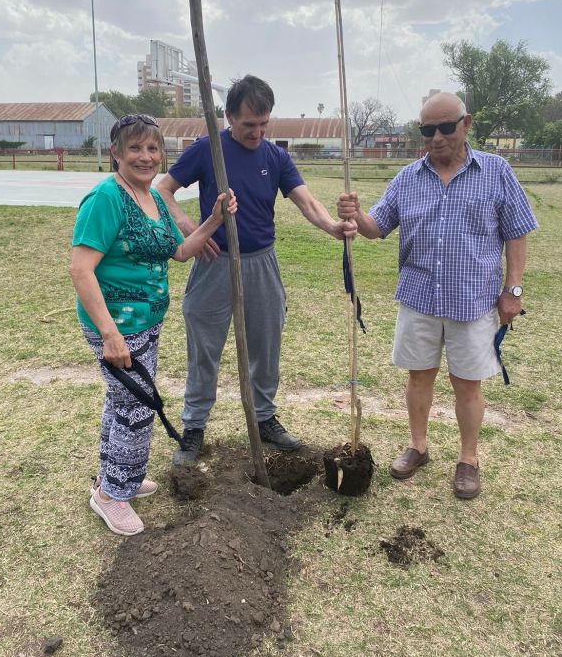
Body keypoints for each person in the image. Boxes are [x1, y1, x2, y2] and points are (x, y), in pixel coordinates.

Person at [337, 92, 537, 499]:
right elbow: (378, 228)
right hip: (419, 297)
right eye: (428, 130)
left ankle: (468, 459)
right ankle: (418, 446)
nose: (437, 137)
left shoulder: (496, 171)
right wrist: (356, 214)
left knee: (467, 384)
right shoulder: (407, 178)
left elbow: (517, 232)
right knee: (419, 376)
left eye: (446, 127)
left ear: (467, 123)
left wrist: (512, 290)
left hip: (473, 300)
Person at [158, 75, 356, 465]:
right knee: (204, 350)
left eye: (264, 124)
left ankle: (264, 418)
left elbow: (306, 202)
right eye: (249, 124)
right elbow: (162, 190)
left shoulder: (275, 157)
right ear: (229, 116)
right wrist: (193, 231)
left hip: (262, 263)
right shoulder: (207, 150)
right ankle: (194, 427)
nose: (257, 132)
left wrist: (333, 227)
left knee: (266, 348)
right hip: (215, 264)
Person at [69, 113, 236, 535]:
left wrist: (214, 219)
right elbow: (81, 270)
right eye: (136, 148)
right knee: (136, 409)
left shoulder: (153, 198)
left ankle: (115, 478)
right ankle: (112, 496)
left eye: (153, 149)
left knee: (123, 402)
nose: (146, 157)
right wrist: (110, 334)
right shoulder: (106, 199)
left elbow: (180, 252)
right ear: (115, 153)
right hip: (117, 326)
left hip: (147, 322)